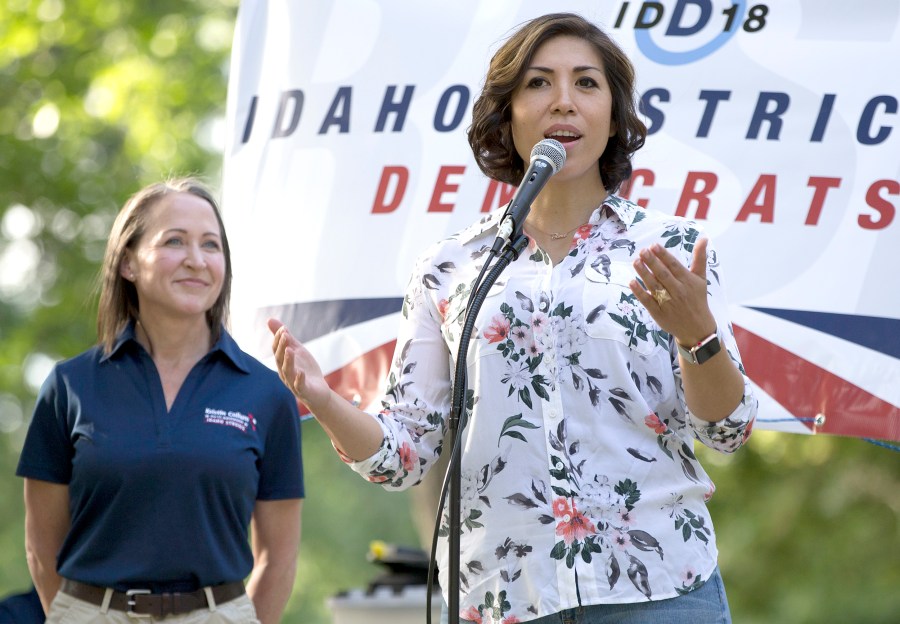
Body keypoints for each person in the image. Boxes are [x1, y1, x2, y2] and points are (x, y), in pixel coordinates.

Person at [269, 12, 756, 624]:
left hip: (660, 590)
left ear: (613, 113)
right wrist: (324, 398)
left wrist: (698, 337)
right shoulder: (449, 268)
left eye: (586, 83)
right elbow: (404, 455)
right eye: (537, 84)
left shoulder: (673, 250)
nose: (563, 102)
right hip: (504, 596)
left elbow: (727, 431)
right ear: (508, 113)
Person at [17, 178, 304, 624]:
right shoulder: (68, 385)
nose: (196, 260)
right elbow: (40, 546)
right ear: (128, 262)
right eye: (175, 241)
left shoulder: (266, 394)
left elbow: (279, 559)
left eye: (211, 245)